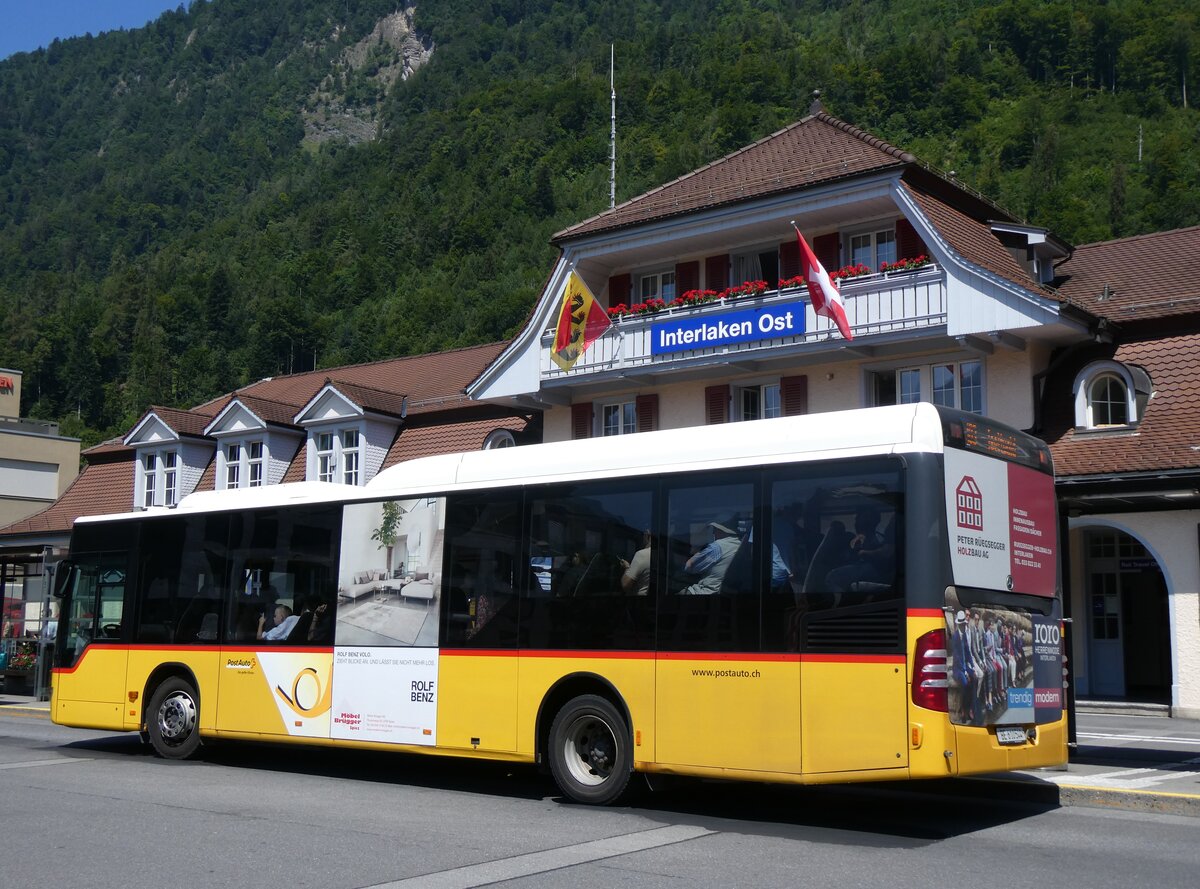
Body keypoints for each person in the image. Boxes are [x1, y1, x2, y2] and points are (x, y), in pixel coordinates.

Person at [825, 506, 893, 594]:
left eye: (860, 517)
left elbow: (883, 556)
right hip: (859, 573)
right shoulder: (850, 539)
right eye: (857, 518)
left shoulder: (879, 540)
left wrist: (865, 553)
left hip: (874, 570)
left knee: (832, 578)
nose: (856, 521)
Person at [680, 518, 742, 595]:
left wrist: (697, 552)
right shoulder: (740, 545)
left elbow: (689, 567)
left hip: (706, 591)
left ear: (721, 530)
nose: (713, 532)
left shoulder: (717, 547)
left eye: (715, 529)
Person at [620, 530, 652, 596]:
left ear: (648, 536)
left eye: (644, 534)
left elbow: (625, 585)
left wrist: (627, 567)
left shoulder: (641, 554)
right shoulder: (660, 557)